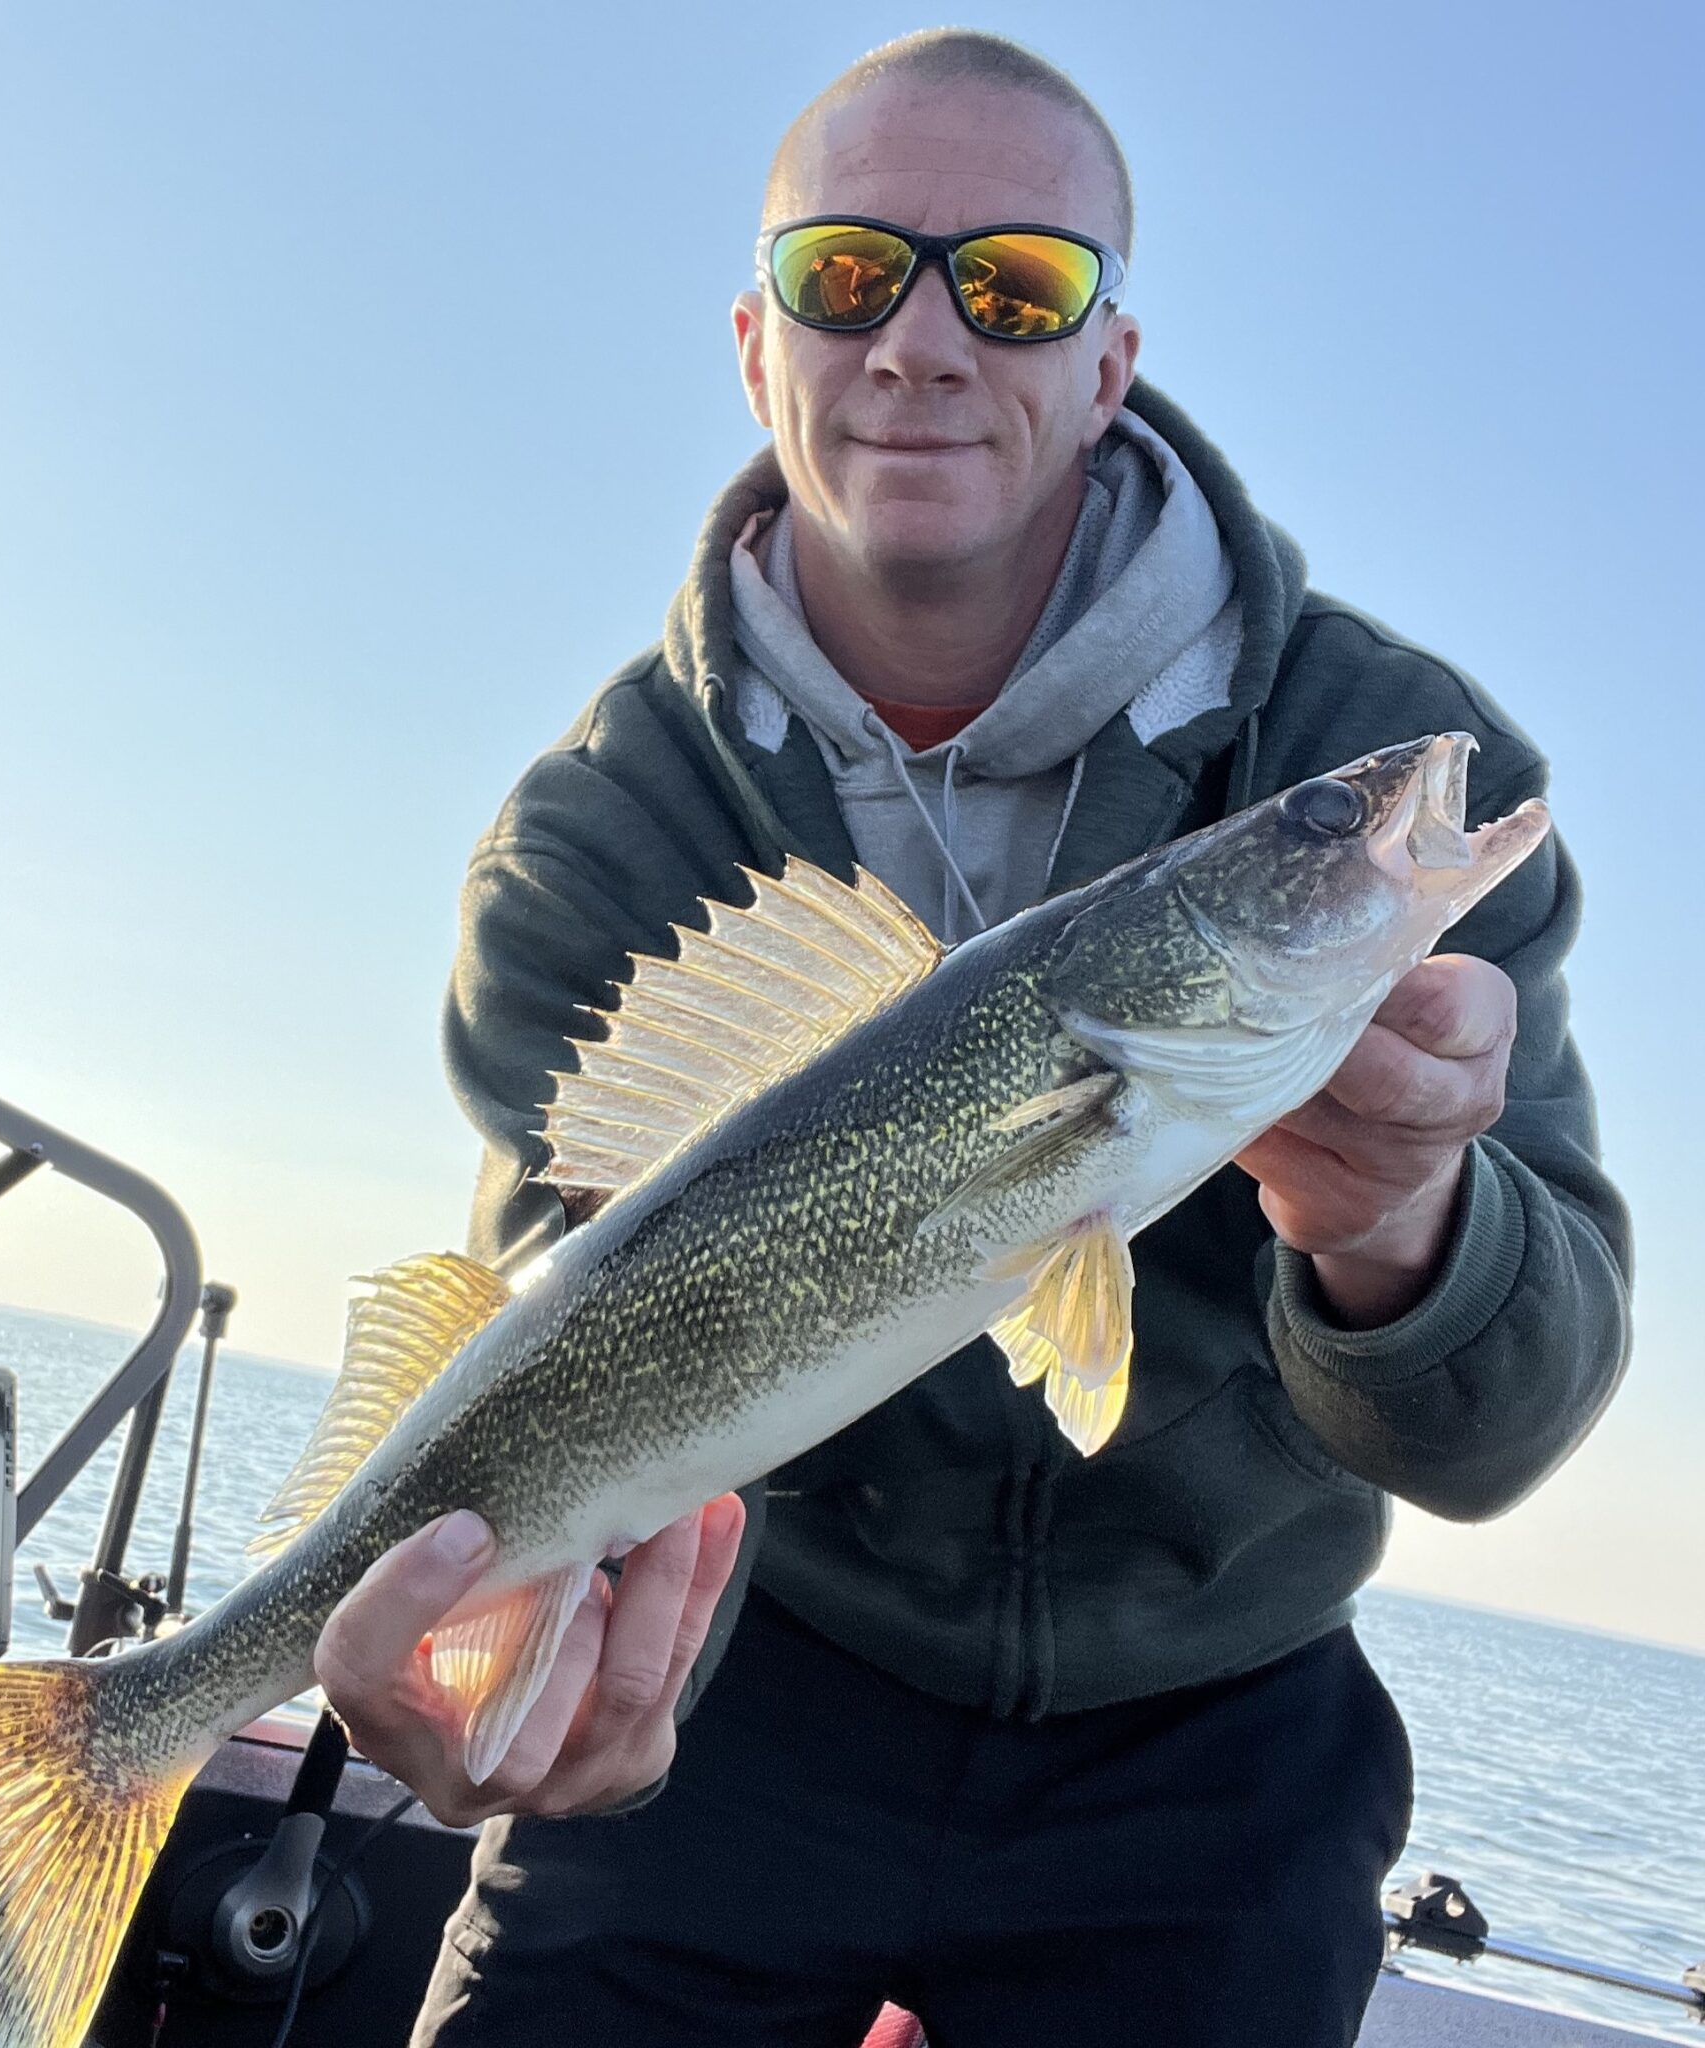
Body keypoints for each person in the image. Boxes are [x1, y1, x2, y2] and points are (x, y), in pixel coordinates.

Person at [313, 29, 1631, 2046]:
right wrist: (514, 1668)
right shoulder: (593, 836)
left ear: (1106, 364)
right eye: (848, 275)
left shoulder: (1362, 751)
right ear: (755, 343)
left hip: (1214, 1715)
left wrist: (1406, 1228)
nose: (923, 342)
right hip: (742, 1673)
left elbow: (1503, 1434)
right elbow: (558, 1323)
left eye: (1013, 284)